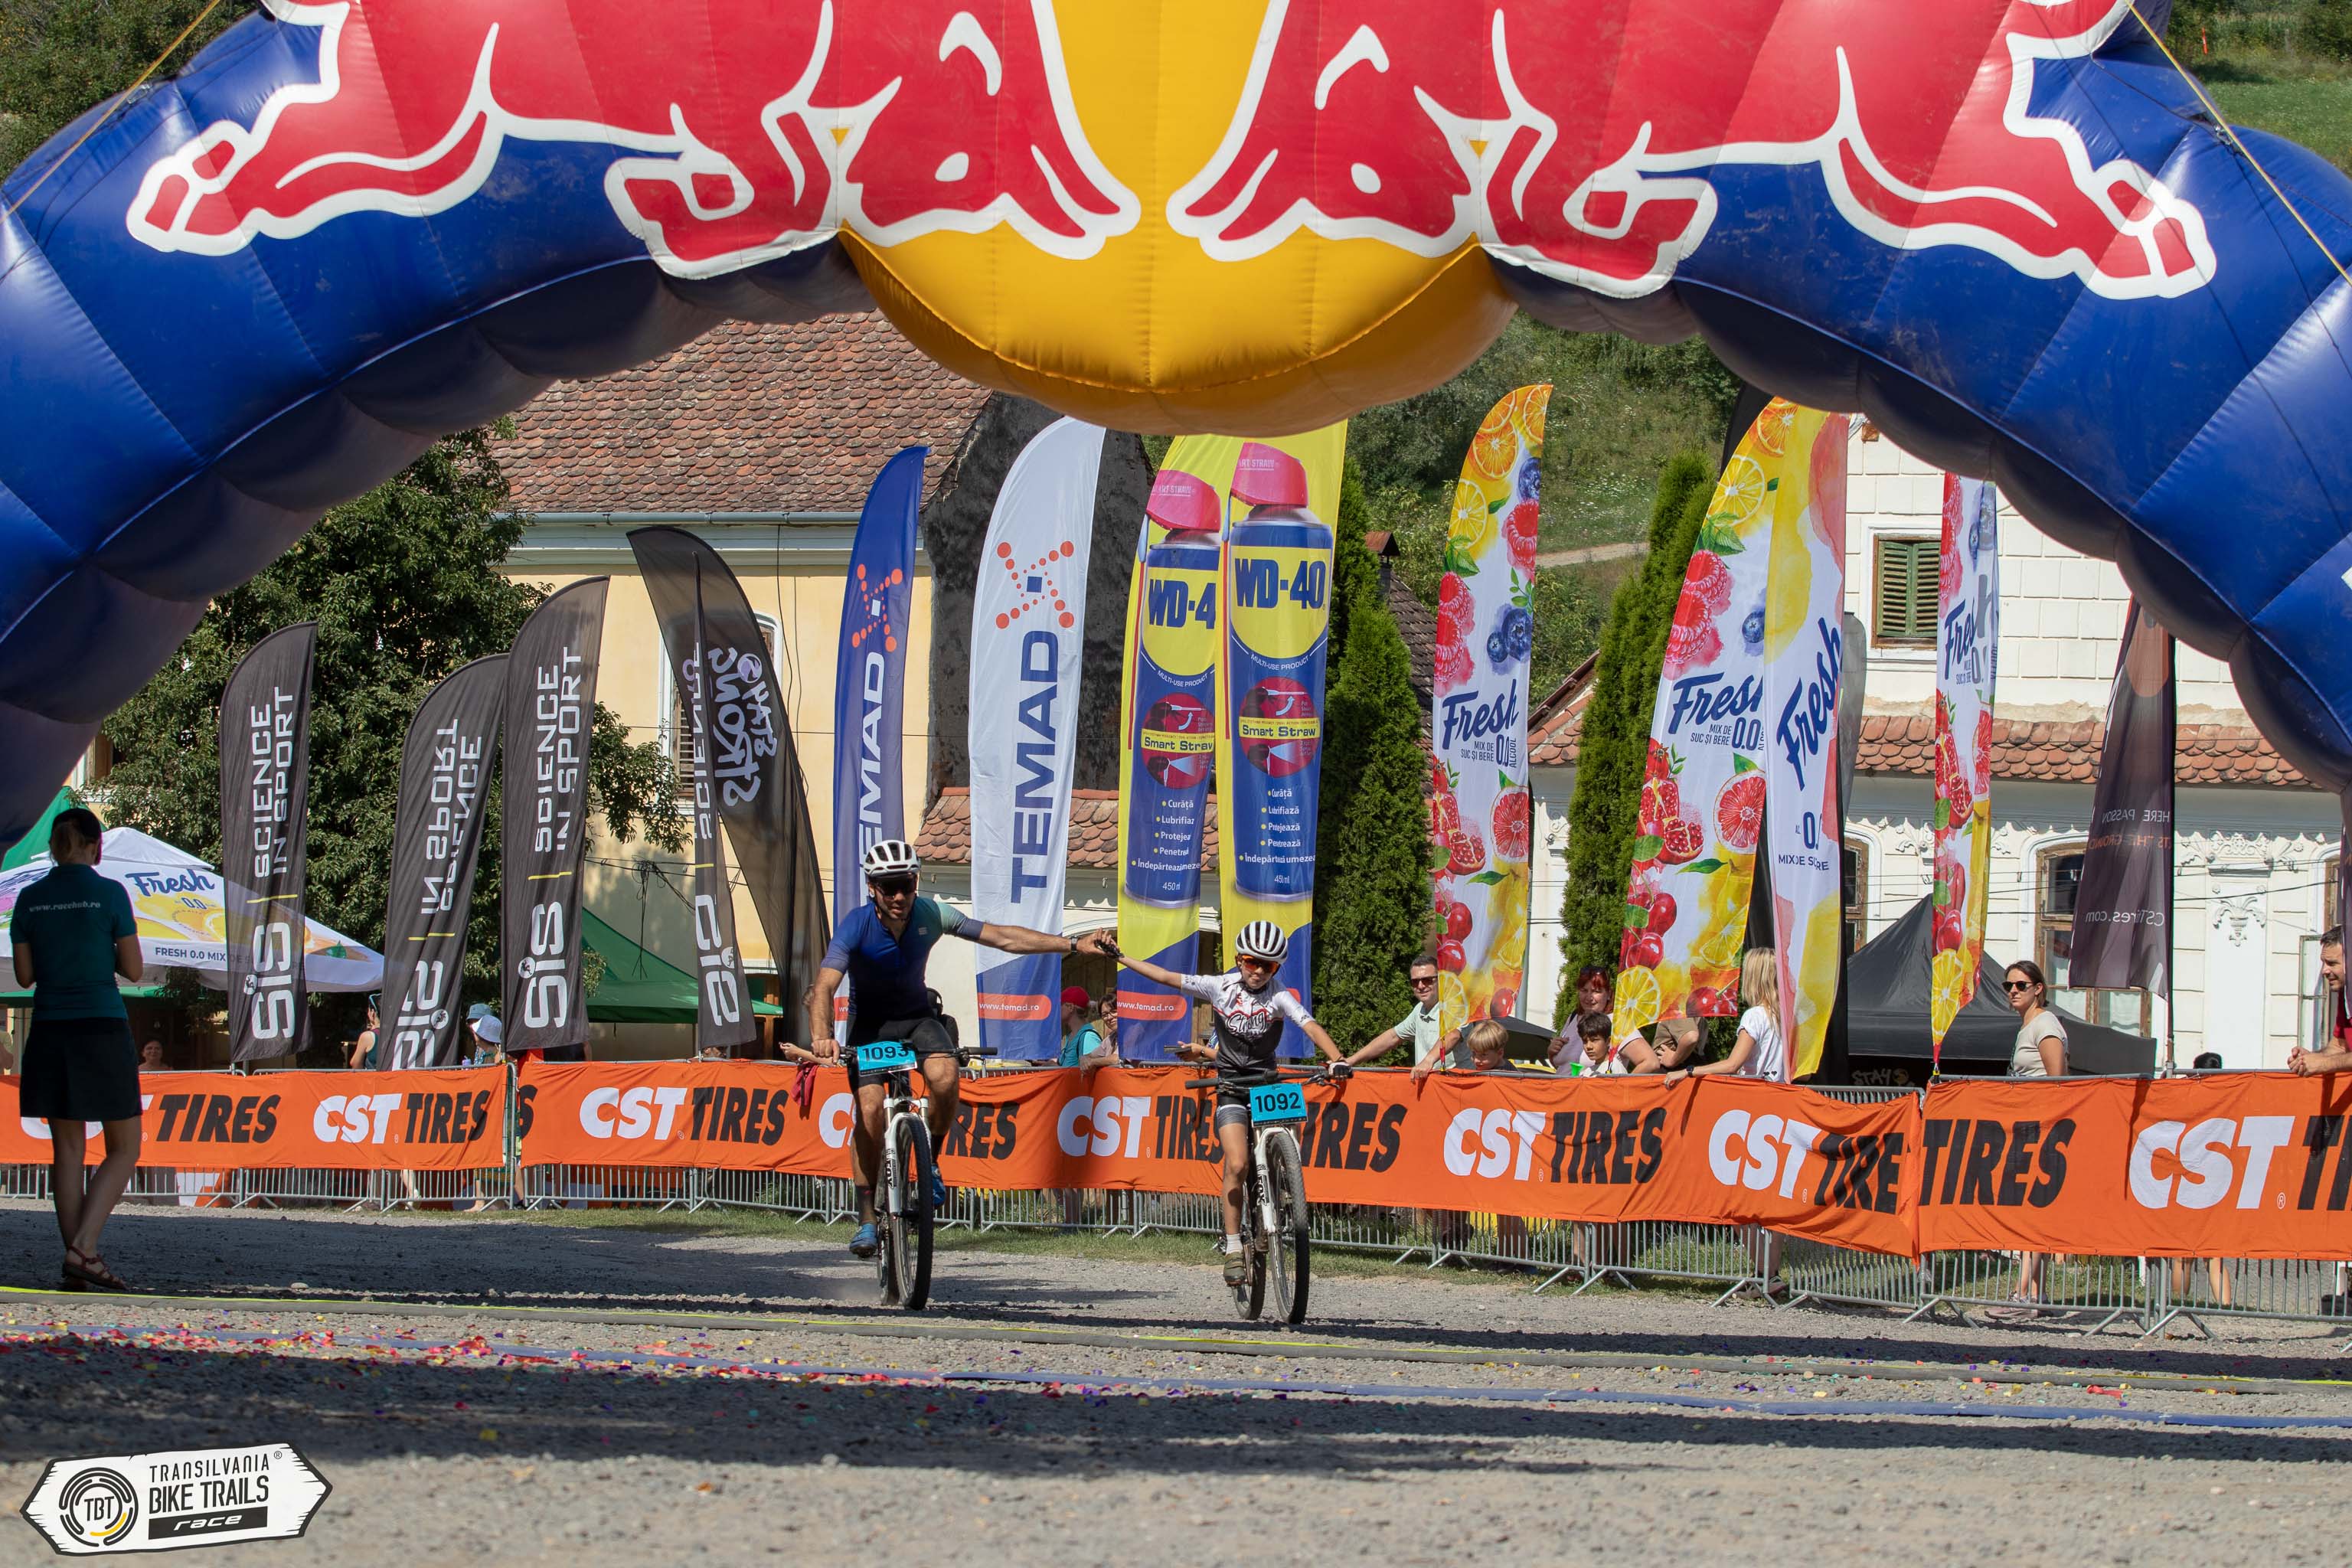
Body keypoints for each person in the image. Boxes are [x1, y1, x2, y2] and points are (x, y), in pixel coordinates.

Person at [807, 838, 1089, 1261]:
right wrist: (822, 1035)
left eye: (906, 885)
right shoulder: (856, 925)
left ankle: (931, 1163)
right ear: (872, 889)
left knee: (945, 1077)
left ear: (916, 882)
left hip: (917, 1017)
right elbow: (824, 986)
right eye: (889, 887)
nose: (899, 896)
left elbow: (1002, 938)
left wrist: (1073, 945)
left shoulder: (931, 913)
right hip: (871, 1028)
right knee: (869, 1112)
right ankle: (866, 1216)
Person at [1093, 920, 1348, 1285]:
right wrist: (1122, 957)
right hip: (1230, 1085)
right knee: (1238, 1162)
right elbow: (1165, 976)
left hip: (1266, 1082)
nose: (1258, 971)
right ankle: (1232, 1245)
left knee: (1291, 1144)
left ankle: (1277, 1190)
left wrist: (1337, 1059)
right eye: (1251, 962)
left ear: (1277, 968)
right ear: (1239, 959)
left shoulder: (1280, 996)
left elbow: (1309, 1025)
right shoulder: (1219, 987)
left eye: (1268, 965)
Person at [8, 807, 142, 1291]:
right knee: (125, 1147)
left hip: (49, 1030)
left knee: (67, 1149)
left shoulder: (28, 898)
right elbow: (134, 970)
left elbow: (25, 976)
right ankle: (84, 1250)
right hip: (101, 1028)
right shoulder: (111, 894)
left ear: (54, 846)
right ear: (95, 847)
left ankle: (77, 1263)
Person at [1991, 959, 2067, 1315]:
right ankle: (2035, 1296)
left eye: (2020, 985)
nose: (2013, 991)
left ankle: (2022, 1295)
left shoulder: (2045, 1024)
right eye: (2008, 985)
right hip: (2028, 1124)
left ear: (2038, 989)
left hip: (2042, 1127)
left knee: (2030, 1210)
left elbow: (2058, 1081)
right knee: (2031, 1209)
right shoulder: (2029, 1026)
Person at [1659, 950, 1789, 1086]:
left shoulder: (1755, 1016)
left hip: (1755, 1092)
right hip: (1780, 1092)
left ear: (1753, 978)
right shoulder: (1787, 1018)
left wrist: (1688, 1071)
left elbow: (1732, 1065)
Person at [1345, 952, 1459, 1069]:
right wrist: (1350, 1061)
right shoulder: (1419, 1010)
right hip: (1428, 1079)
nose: (1420, 986)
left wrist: (1428, 1061)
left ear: (1440, 980)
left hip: (1455, 1079)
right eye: (1415, 982)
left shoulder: (1456, 1006)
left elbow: (1453, 1035)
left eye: (1427, 980)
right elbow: (1393, 1037)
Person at [2291, 928, 2350, 1076]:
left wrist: (2324, 1063)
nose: (2324, 971)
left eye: (2332, 963)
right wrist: (2311, 1058)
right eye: (2324, 963)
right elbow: (2339, 1047)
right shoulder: (2346, 996)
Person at [1549, 965, 1612, 1070]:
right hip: (1562, 1081)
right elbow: (1566, 1068)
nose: (1589, 997)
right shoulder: (1574, 1017)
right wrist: (1551, 1053)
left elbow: (1644, 1061)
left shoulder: (1615, 1022)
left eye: (1596, 991)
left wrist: (1620, 1080)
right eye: (1584, 990)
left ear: (1609, 994)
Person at [1058, 988, 1114, 1072]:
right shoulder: (1070, 1036)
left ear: (1070, 1007)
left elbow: (1092, 1072)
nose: (1057, 1010)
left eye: (1060, 1005)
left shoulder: (1088, 1037)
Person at [1567, 1010, 1622, 1075]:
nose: (1588, 1046)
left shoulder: (1615, 1067)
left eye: (1594, 1040)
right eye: (1585, 1041)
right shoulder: (1588, 1071)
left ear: (1608, 1041)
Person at [345, 996, 381, 1070]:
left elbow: (355, 1064)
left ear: (372, 1012)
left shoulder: (368, 1036)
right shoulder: (396, 1034)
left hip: (374, 1076)